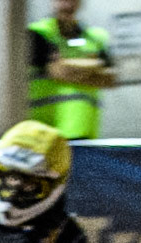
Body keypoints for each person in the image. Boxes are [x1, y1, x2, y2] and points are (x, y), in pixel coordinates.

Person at [30, 0, 114, 141]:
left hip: (84, 133)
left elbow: (110, 79)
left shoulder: (96, 37)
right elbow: (59, 71)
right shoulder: (38, 33)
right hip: (44, 134)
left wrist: (68, 65)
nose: (68, 3)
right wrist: (96, 65)